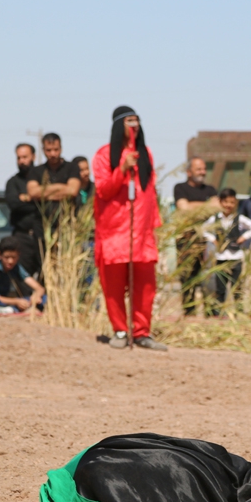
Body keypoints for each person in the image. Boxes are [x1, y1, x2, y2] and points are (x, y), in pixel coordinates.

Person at [92, 105, 166, 350]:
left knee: (145, 285)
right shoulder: (104, 155)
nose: (134, 125)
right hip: (114, 230)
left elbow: (150, 191)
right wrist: (122, 169)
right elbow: (103, 190)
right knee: (113, 285)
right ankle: (121, 330)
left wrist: (153, 222)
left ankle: (142, 331)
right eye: (129, 121)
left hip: (141, 231)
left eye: (137, 120)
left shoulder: (146, 154)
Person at [202, 188, 251, 315]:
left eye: (232, 202)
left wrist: (243, 237)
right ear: (221, 202)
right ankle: (218, 313)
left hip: (235, 256)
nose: (228, 205)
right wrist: (213, 239)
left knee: (236, 287)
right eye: (226, 202)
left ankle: (238, 313)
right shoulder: (215, 219)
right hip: (221, 257)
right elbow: (203, 229)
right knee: (220, 287)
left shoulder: (239, 218)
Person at [174, 157, 218, 315]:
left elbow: (216, 207)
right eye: (199, 169)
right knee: (187, 277)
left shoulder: (210, 189)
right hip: (186, 240)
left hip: (206, 241)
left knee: (208, 277)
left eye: (204, 169)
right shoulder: (180, 188)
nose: (203, 172)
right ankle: (189, 312)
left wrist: (193, 206)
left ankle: (210, 311)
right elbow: (183, 208)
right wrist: (206, 206)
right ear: (189, 172)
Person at [0, 236, 45, 315]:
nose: (10, 261)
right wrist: (16, 301)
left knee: (45, 298)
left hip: (6, 302)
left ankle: (7, 310)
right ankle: (12, 310)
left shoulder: (17, 267)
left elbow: (40, 288)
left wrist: (36, 296)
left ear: (19, 255)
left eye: (14, 257)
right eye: (7, 257)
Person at [5, 143, 43, 278]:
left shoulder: (43, 178)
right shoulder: (13, 182)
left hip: (42, 236)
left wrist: (27, 198)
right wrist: (35, 199)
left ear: (33, 156)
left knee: (45, 272)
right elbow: (14, 204)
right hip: (22, 237)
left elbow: (46, 206)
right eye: (19, 158)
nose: (22, 161)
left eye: (25, 157)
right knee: (22, 275)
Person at [27, 133, 81, 226]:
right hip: (42, 225)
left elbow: (72, 191)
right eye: (49, 150)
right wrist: (62, 188)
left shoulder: (72, 167)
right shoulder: (36, 171)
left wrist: (43, 193)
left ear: (61, 148)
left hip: (67, 225)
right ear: (43, 150)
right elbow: (32, 193)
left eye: (56, 149)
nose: (53, 154)